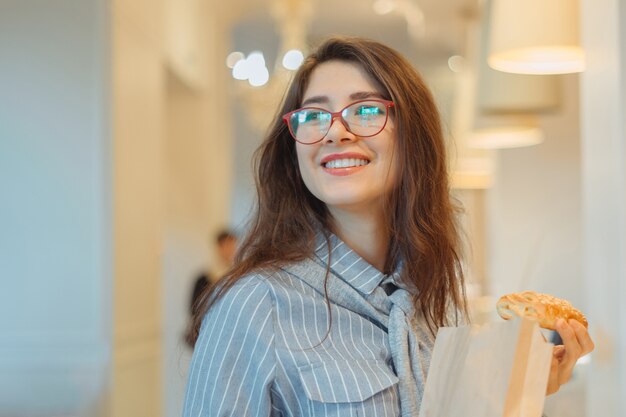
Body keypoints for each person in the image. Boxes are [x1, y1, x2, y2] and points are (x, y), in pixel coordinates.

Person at [182, 37, 594, 416]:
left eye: (365, 110)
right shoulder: (253, 304)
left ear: (412, 137)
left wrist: (522, 390)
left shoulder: (436, 295)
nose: (336, 132)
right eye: (313, 115)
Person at [185, 229, 238, 346]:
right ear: (219, 246)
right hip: (209, 334)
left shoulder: (237, 276)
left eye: (233, 245)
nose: (232, 250)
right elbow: (194, 308)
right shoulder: (204, 278)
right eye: (228, 245)